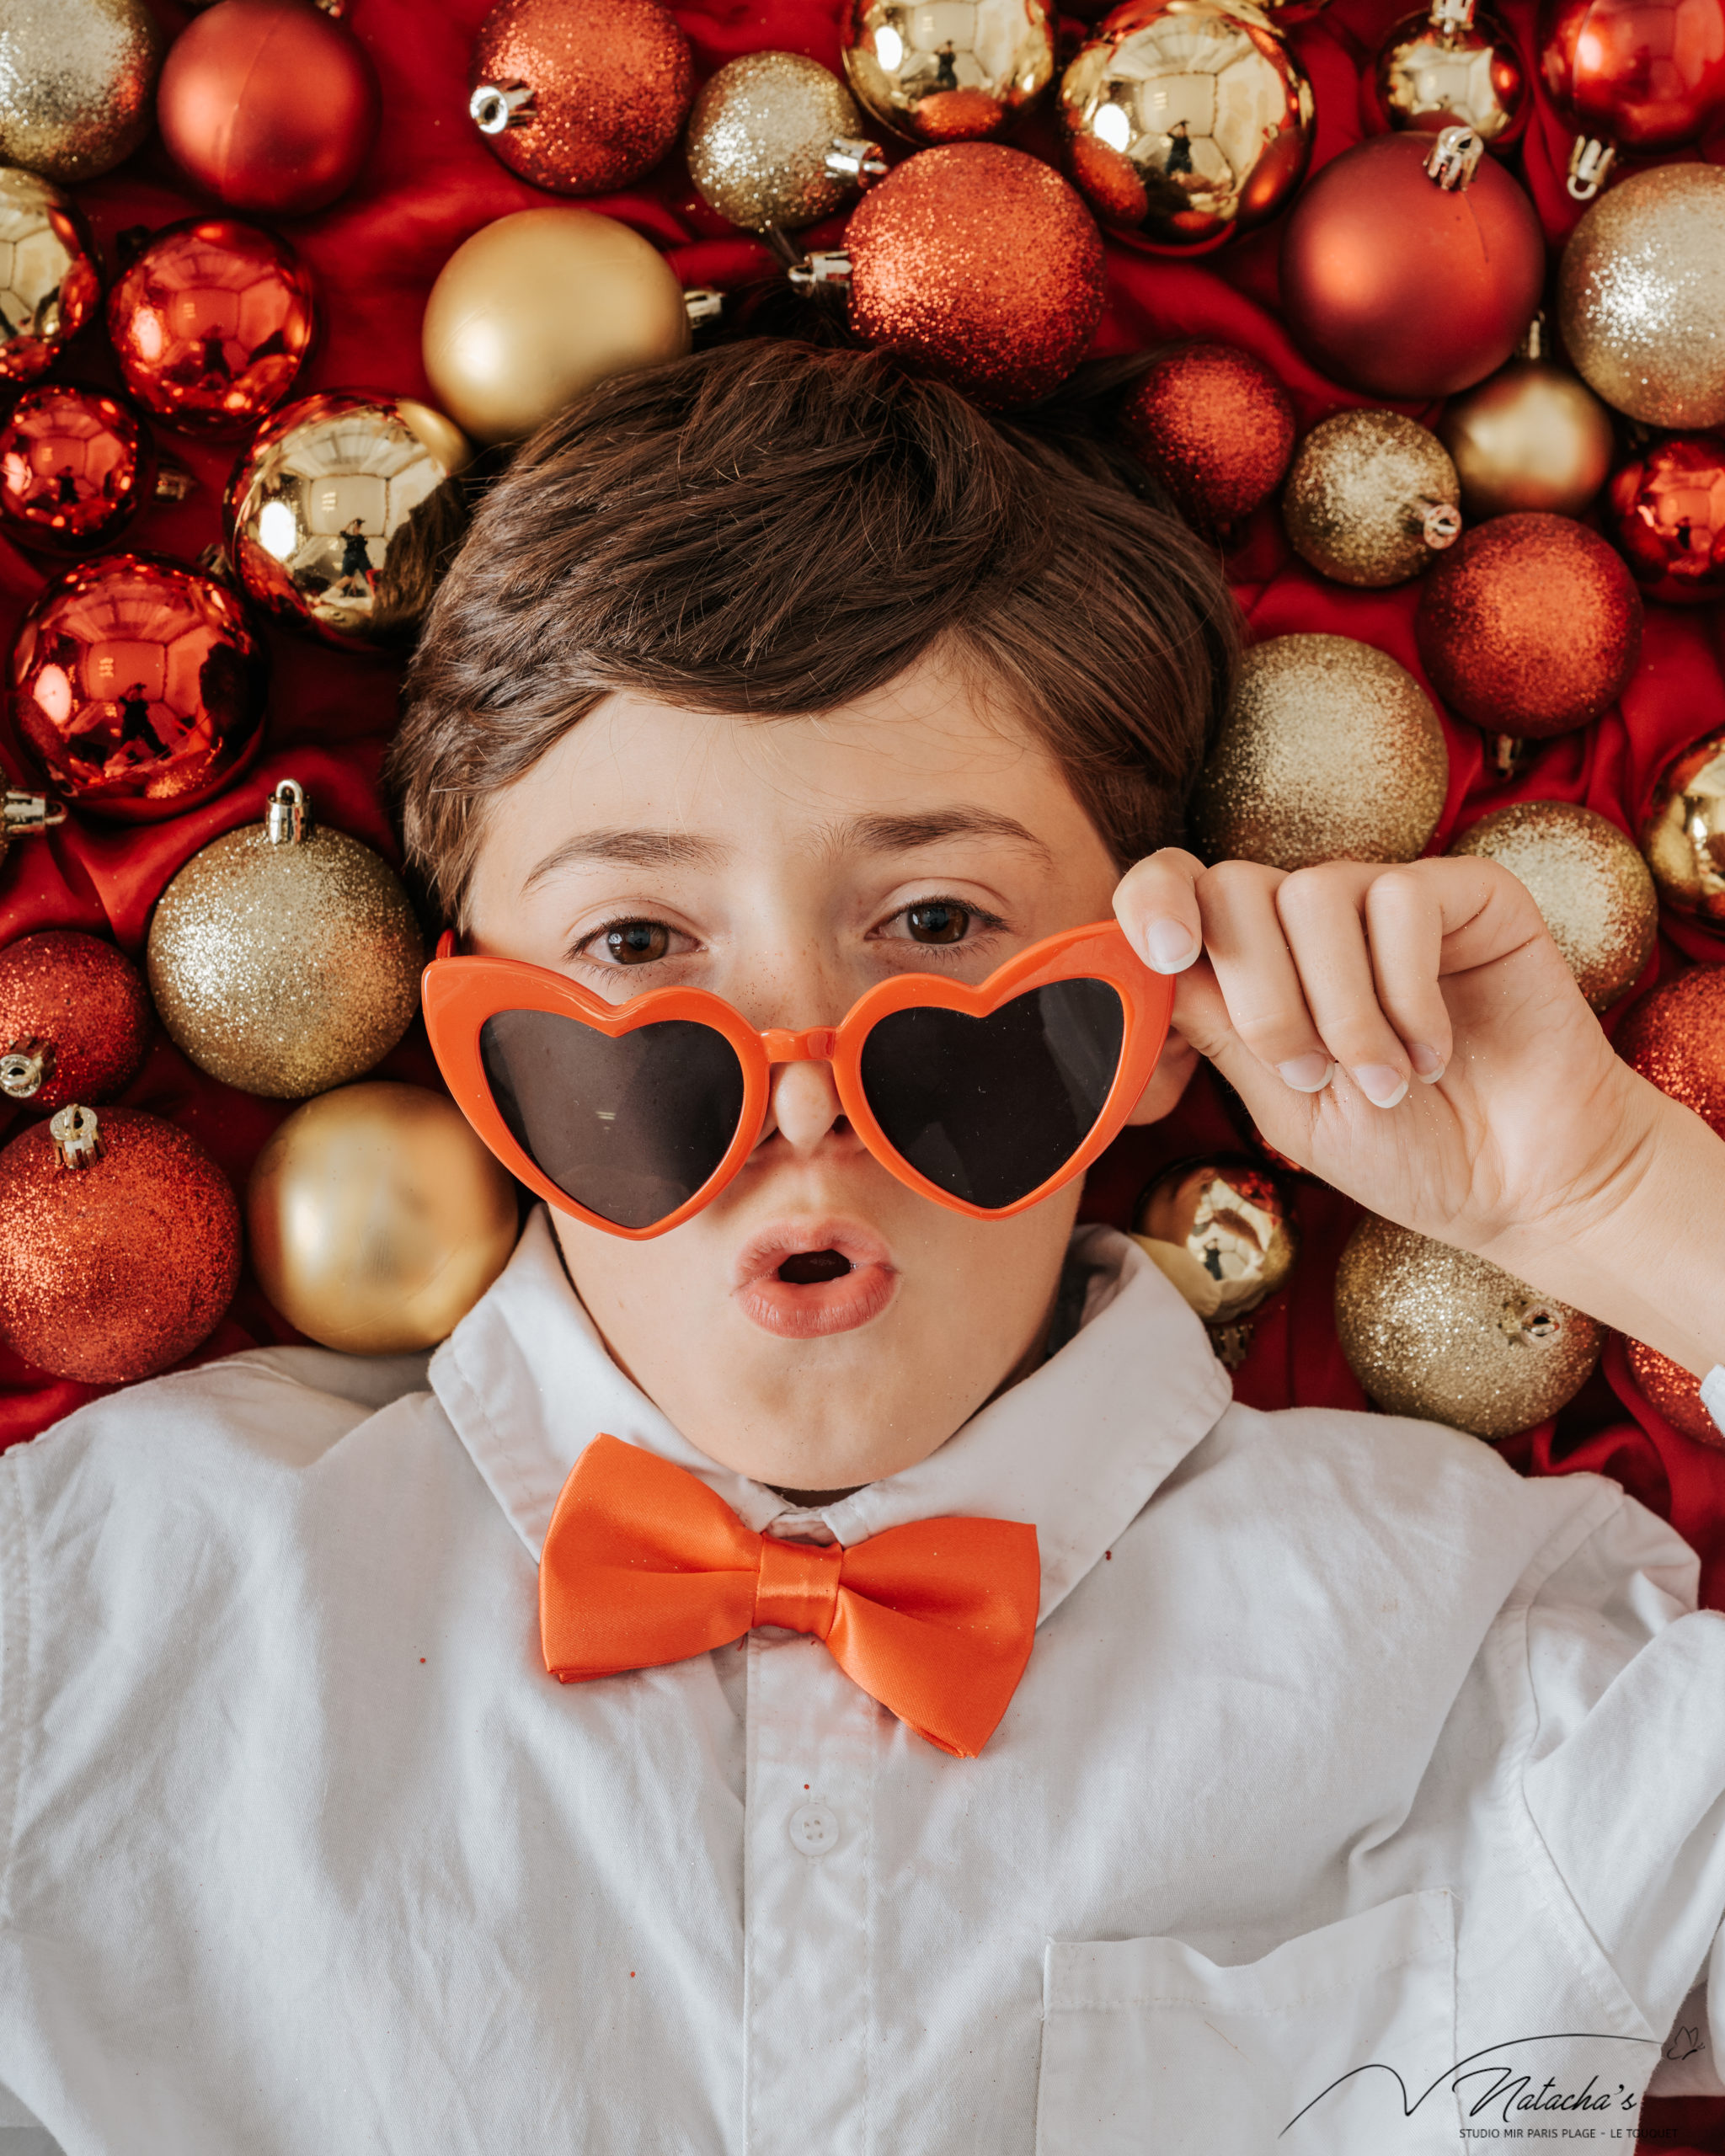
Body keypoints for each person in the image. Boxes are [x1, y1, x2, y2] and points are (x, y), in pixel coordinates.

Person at [2, 339, 1723, 2154]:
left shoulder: (1487, 1645)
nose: (800, 1095)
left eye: (930, 915)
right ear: (467, 1039)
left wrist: (1625, 1206)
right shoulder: (101, 1606)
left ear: (1151, 1014)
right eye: (641, 939)